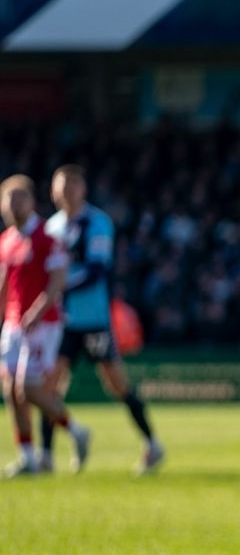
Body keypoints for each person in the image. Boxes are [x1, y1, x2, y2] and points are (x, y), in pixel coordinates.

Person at [40, 165, 163, 476]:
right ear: (53, 191)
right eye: (62, 185)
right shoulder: (51, 227)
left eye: (73, 185)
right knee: (48, 385)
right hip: (62, 321)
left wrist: (58, 287)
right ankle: (45, 456)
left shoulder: (97, 222)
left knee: (116, 383)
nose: (67, 191)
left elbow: (97, 270)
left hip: (92, 319)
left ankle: (152, 444)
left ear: (83, 189)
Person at [0, 174, 91, 477]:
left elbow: (57, 282)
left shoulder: (47, 239)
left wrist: (37, 311)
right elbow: (5, 286)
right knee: (10, 390)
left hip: (43, 324)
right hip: (13, 324)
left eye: (20, 198)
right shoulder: (6, 240)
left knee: (28, 388)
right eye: (9, 200)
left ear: (32, 202)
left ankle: (76, 430)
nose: (14, 205)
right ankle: (27, 457)